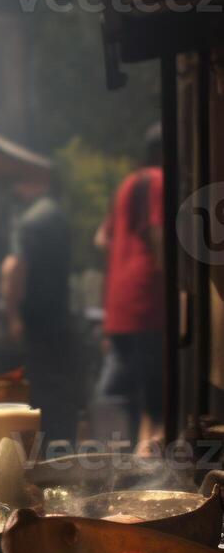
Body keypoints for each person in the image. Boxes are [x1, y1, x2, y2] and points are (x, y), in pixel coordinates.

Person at [95, 123, 165, 453]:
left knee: (120, 389)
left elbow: (101, 238)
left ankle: (112, 460)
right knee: (153, 396)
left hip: (119, 299)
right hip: (147, 296)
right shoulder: (158, 181)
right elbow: (157, 231)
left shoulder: (127, 185)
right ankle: (139, 460)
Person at [0, 177, 76, 441]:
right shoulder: (59, 217)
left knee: (39, 390)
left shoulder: (29, 221)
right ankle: (62, 452)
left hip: (36, 321)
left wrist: (11, 316)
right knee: (60, 393)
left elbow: (14, 268)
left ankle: (41, 454)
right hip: (60, 318)